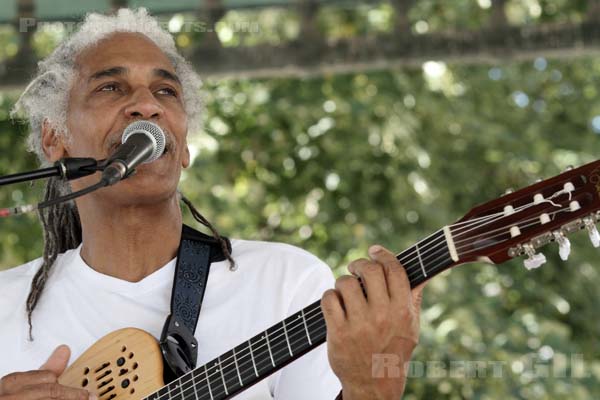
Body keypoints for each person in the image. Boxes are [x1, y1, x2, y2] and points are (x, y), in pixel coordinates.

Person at [0, 8, 425, 400]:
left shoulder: (285, 283)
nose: (147, 105)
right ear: (55, 137)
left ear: (182, 147)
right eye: (111, 86)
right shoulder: (6, 304)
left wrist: (372, 389)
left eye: (166, 91)